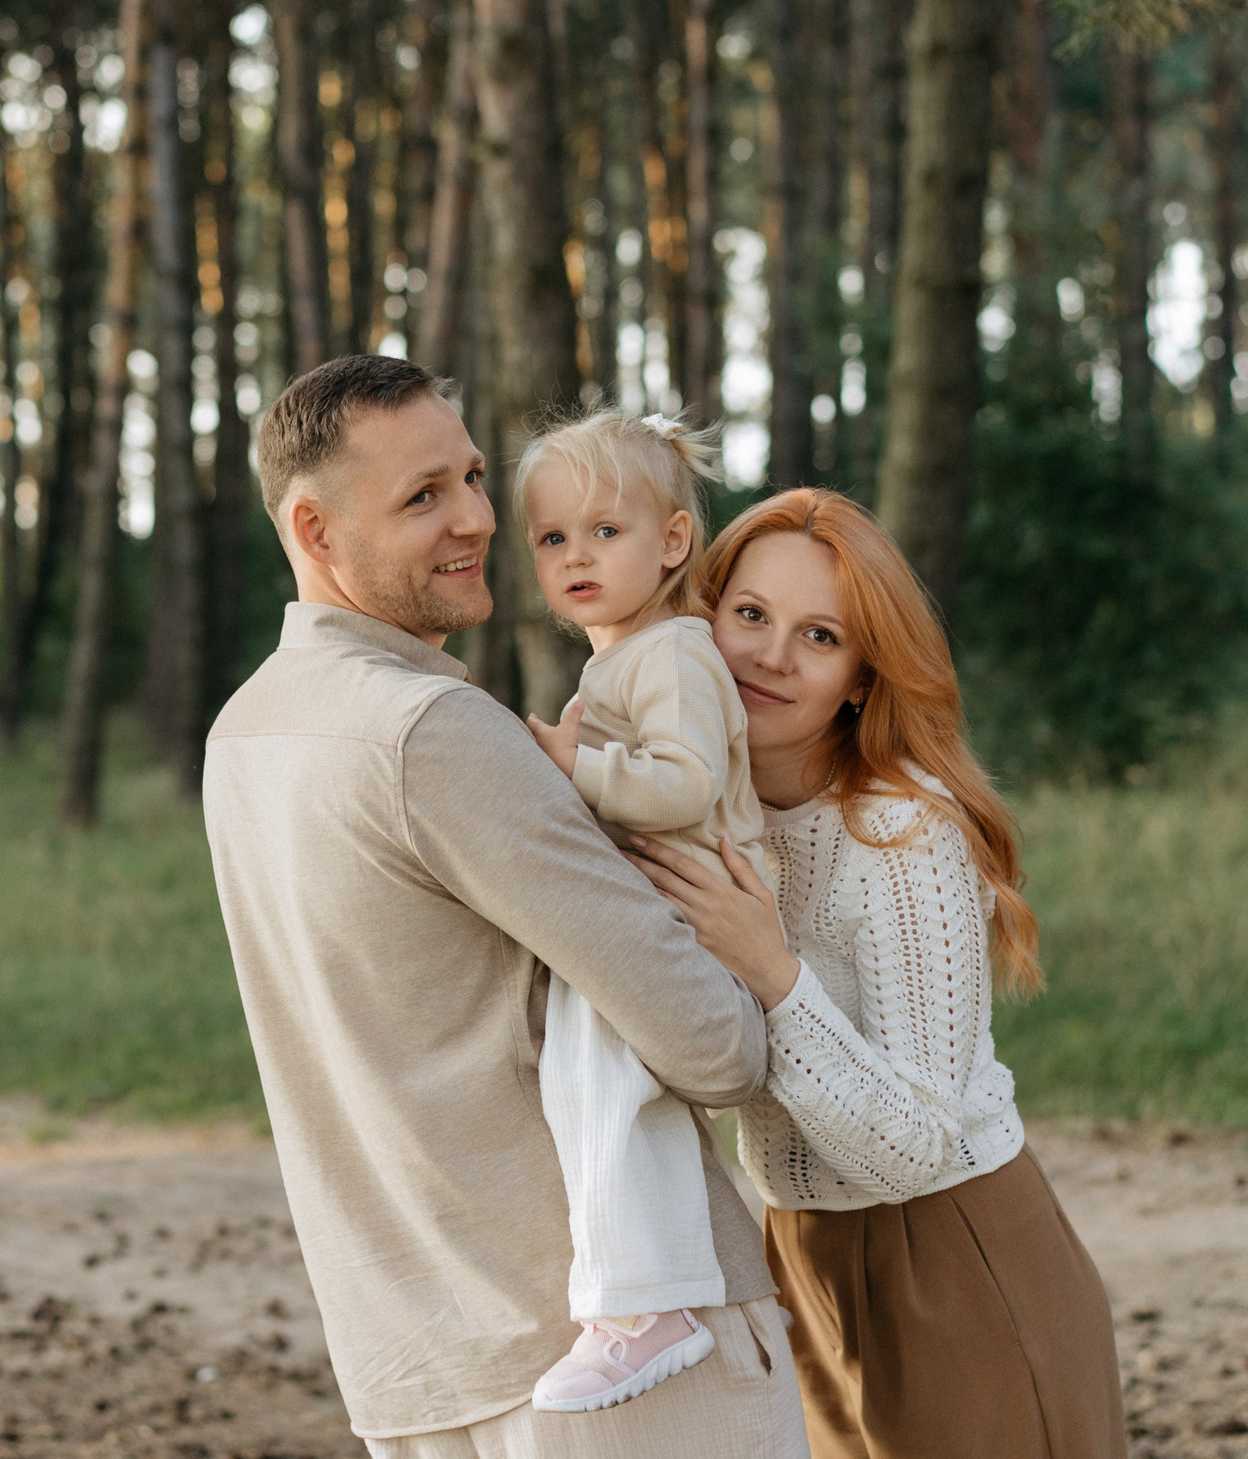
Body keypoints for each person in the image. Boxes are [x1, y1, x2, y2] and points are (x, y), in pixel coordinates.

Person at [202, 356, 811, 1459]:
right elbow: (716, 1047)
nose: (478, 517)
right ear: (314, 525)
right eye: (422, 494)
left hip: (412, 1361)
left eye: (474, 475)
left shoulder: (242, 735)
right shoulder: (435, 728)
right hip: (614, 1362)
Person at [626, 488, 1128, 1459]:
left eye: (818, 635)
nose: (770, 654)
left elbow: (912, 1145)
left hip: (953, 1258)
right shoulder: (699, 811)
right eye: (751, 615)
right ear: (706, 615)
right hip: (797, 1257)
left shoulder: (902, 832)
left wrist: (771, 969)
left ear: (860, 676)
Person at [513, 407, 766, 1412]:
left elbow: (683, 786)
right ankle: (624, 1296)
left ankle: (648, 1304)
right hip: (666, 916)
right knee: (585, 1072)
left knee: (605, 1074)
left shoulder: (670, 653)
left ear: (671, 542)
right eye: (551, 538)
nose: (576, 555)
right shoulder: (622, 656)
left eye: (604, 531)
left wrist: (579, 764)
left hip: (701, 924)